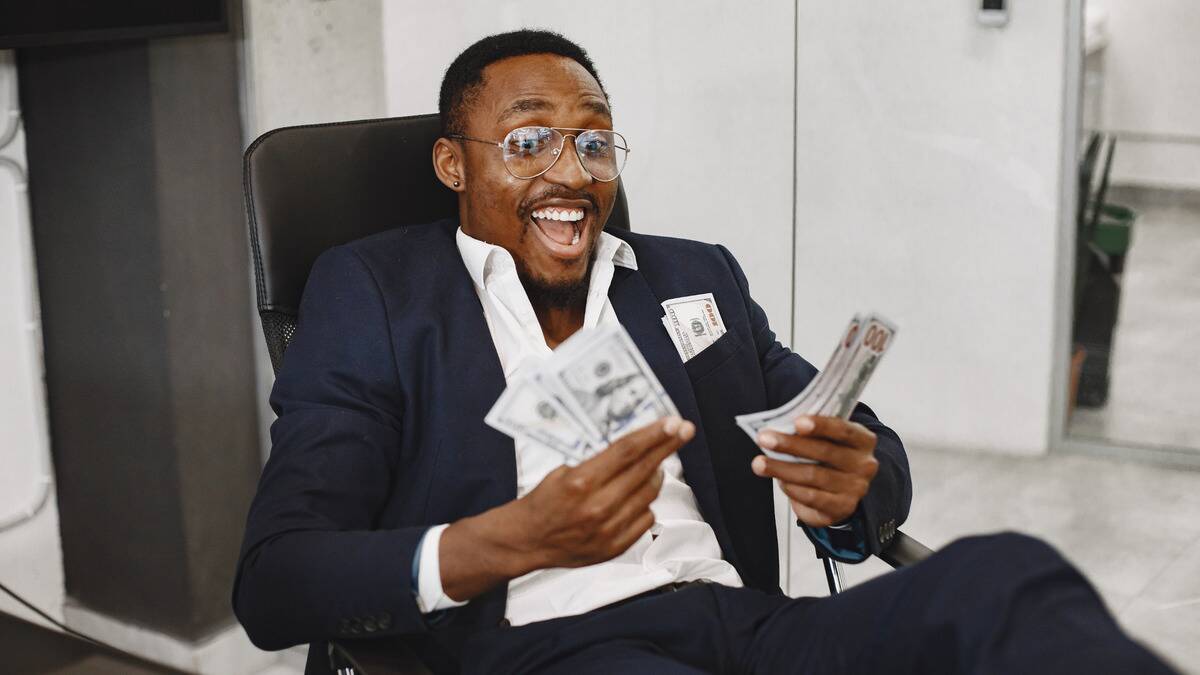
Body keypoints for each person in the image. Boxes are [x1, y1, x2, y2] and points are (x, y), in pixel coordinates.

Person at [233, 29, 1174, 675]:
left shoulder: (693, 278)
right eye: (528, 141)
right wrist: (510, 539)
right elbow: (276, 581)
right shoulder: (377, 291)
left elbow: (841, 430)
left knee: (1006, 577)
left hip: (742, 625)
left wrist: (852, 491)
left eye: (594, 142)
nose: (571, 170)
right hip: (548, 643)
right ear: (455, 164)